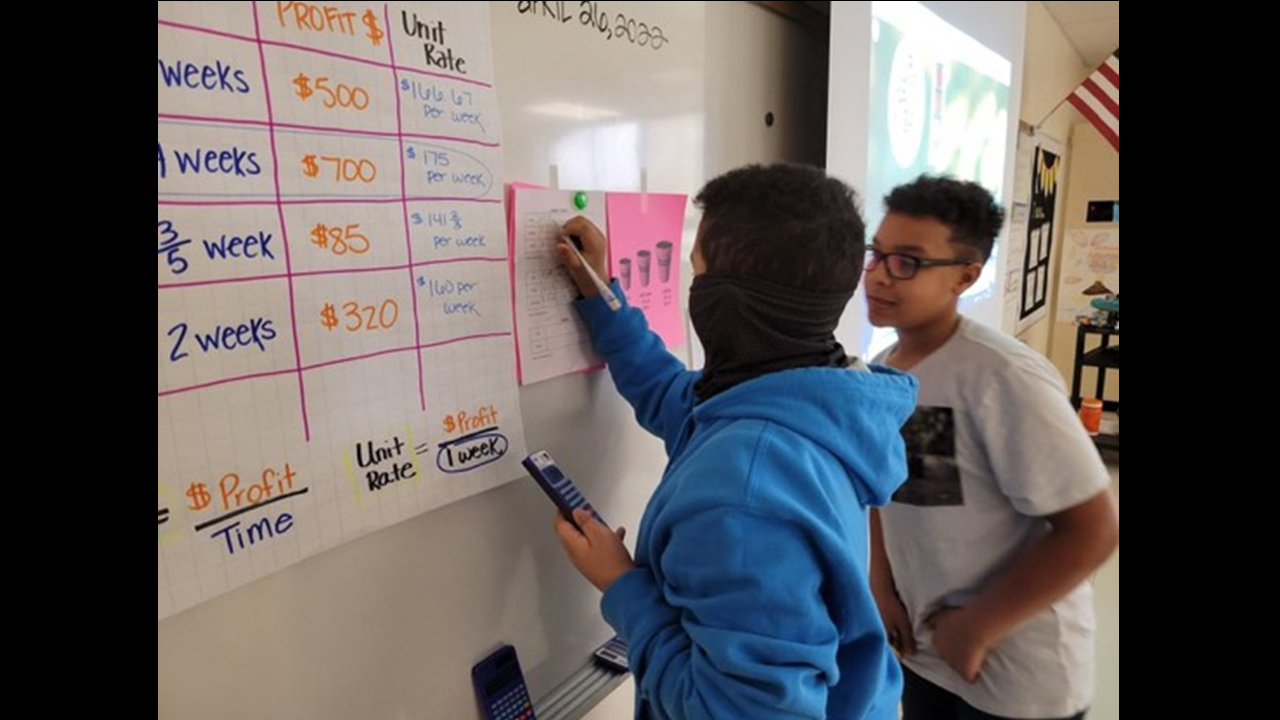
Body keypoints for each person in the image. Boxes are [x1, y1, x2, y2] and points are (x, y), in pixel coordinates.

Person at [551, 163, 918, 719]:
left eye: (697, 275)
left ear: (728, 302)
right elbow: (676, 397)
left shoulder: (746, 492)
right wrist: (602, 296)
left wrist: (620, 582)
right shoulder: (810, 402)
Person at [863, 175, 1120, 720]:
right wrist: (881, 585)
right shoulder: (884, 369)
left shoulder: (1002, 376)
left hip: (1021, 675)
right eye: (877, 254)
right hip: (927, 654)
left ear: (966, 276)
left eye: (906, 261)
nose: (879, 275)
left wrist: (978, 625)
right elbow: (887, 491)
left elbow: (1093, 529)